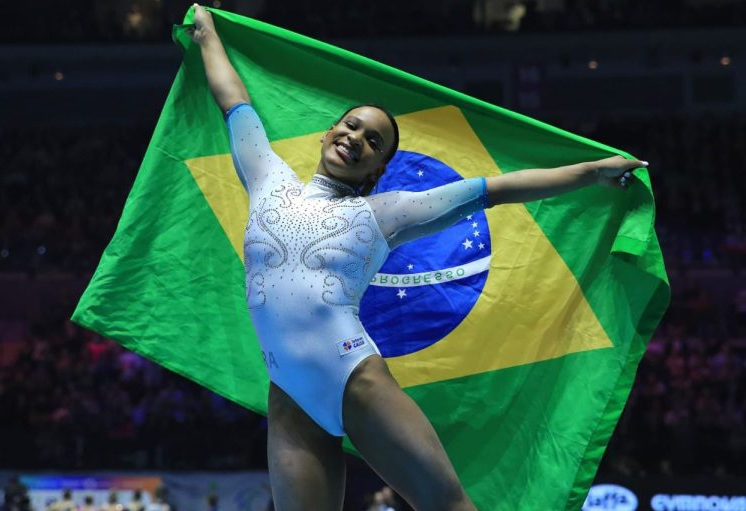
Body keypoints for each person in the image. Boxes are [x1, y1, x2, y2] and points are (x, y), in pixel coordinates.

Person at [189, 4, 646, 510]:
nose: (355, 138)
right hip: (290, 398)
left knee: (450, 507)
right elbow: (234, 103)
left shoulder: (385, 213)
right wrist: (207, 31)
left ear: (376, 170)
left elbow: (497, 189)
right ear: (326, 133)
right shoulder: (267, 179)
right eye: (350, 125)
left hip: (354, 378)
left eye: (372, 141)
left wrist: (592, 171)